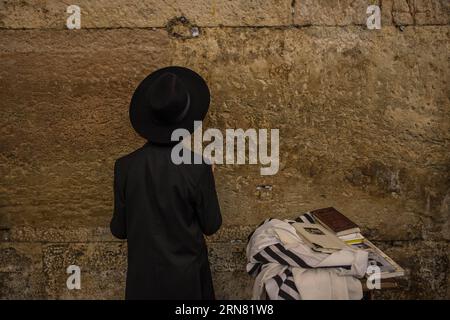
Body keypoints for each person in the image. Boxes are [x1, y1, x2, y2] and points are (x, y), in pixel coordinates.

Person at [110, 66, 222, 300]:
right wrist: (206, 177)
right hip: (188, 284)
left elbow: (119, 230)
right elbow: (211, 225)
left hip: (143, 286)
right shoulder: (197, 167)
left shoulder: (124, 167)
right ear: (186, 117)